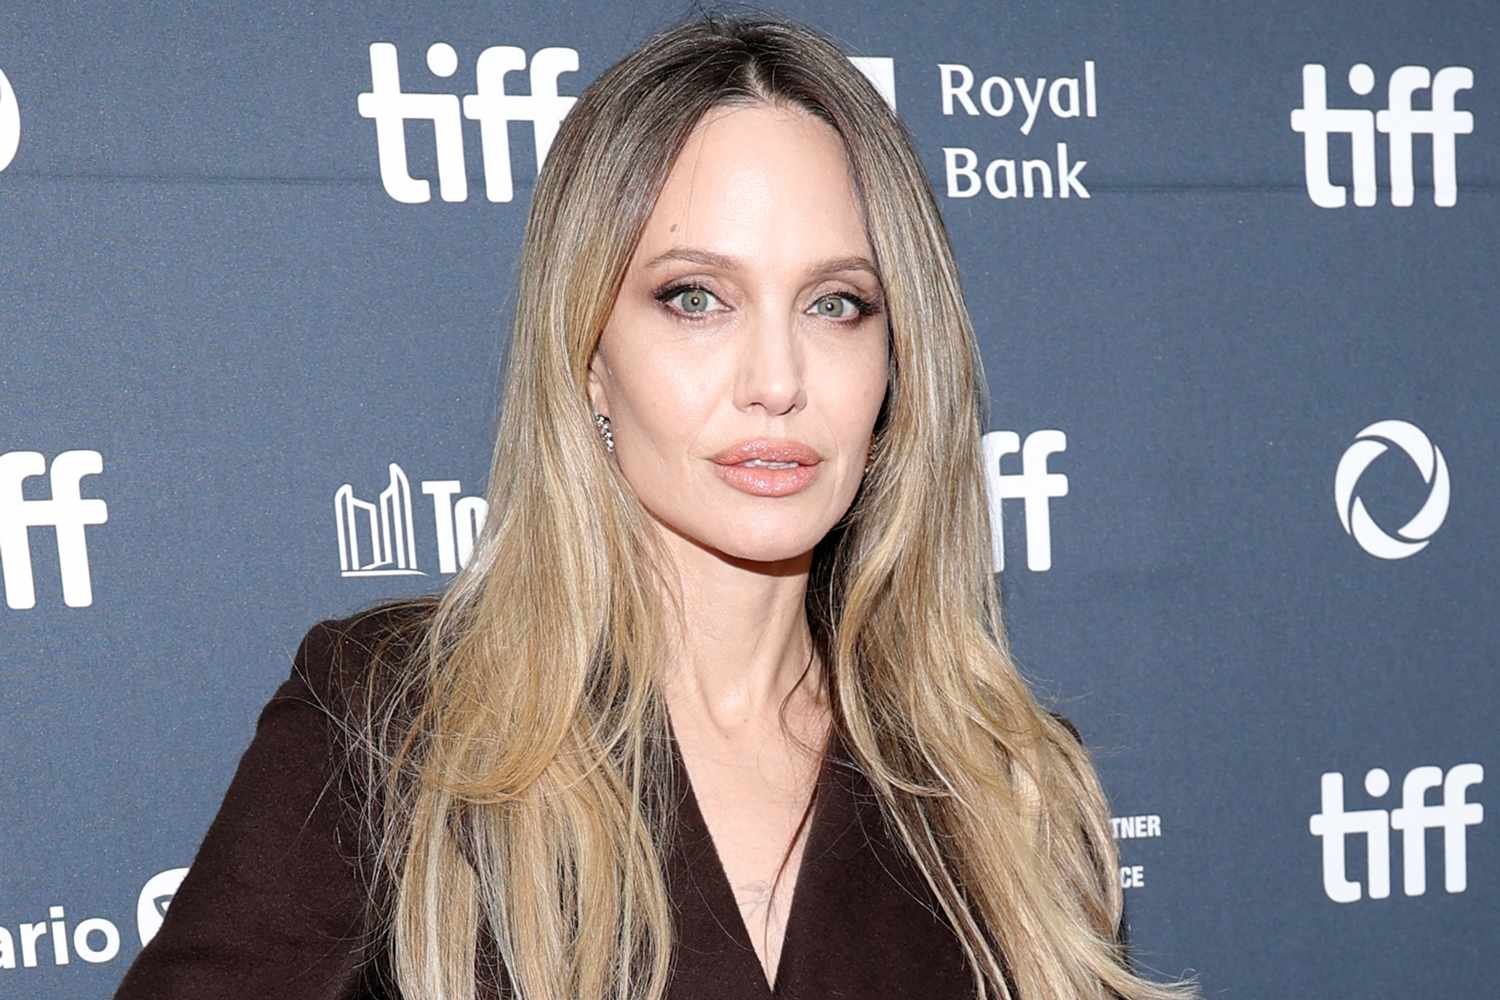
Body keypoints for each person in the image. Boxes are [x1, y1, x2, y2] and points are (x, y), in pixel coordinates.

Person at [116, 10, 1200, 1000]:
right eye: (696, 297)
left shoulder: (1010, 789)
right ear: (589, 354)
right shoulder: (394, 728)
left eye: (836, 303)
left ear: (896, 360)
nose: (776, 379)